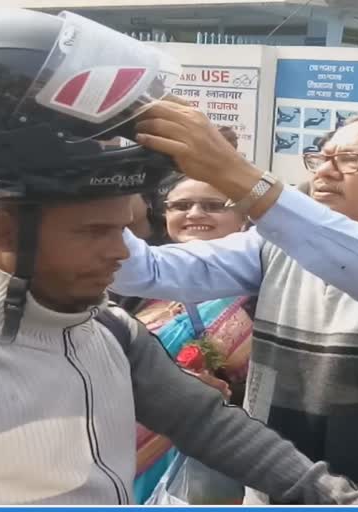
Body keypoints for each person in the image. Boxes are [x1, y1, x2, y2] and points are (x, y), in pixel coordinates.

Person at [0, 8, 358, 506]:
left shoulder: (111, 332)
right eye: (93, 232)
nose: (120, 253)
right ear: (3, 229)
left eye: (126, 230)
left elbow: (209, 426)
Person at [113, 108, 358, 503]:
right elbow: (145, 270)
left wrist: (233, 171)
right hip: (271, 491)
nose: (325, 172)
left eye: (352, 160)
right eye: (321, 158)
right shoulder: (272, 245)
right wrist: (98, 181)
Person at [133, 172, 254, 503]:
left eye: (213, 206)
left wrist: (224, 394)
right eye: (181, 205)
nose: (195, 214)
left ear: (245, 219)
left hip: (211, 452)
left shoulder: (264, 287)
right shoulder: (138, 279)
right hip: (126, 444)